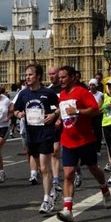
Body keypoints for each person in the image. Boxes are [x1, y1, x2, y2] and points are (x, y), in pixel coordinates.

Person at [55, 65, 111, 222]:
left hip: (85, 139)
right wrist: (59, 119)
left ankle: (104, 188)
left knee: (93, 169)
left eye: (64, 77)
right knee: (68, 174)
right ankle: (68, 209)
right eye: (59, 78)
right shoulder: (62, 96)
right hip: (67, 139)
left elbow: (95, 109)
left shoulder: (82, 92)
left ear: (73, 77)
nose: (61, 80)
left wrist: (78, 112)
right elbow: (64, 112)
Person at [13, 64, 59, 215]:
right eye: (26, 75)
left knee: (45, 168)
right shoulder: (23, 94)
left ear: (38, 76)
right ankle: (52, 190)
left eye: (30, 75)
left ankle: (46, 200)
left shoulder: (48, 93)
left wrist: (54, 115)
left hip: (46, 133)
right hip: (31, 134)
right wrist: (18, 114)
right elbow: (15, 109)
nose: (27, 77)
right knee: (40, 168)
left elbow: (60, 107)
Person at [47, 66, 63, 202]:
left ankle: (77, 170)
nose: (51, 76)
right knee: (55, 151)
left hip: (69, 122)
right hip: (55, 124)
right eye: (50, 74)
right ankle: (56, 180)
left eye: (54, 73)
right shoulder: (49, 91)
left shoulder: (65, 89)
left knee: (73, 151)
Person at [88, 79, 104, 157]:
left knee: (98, 132)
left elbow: (103, 103)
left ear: (96, 86)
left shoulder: (100, 94)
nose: (92, 87)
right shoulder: (87, 94)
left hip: (98, 115)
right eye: (90, 85)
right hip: (90, 115)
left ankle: (98, 149)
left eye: (93, 85)